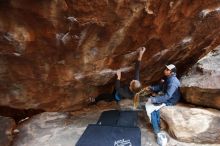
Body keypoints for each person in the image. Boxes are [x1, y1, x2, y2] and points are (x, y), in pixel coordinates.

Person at [145, 64, 181, 146]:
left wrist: (155, 99)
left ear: (171, 72)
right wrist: (151, 88)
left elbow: (168, 96)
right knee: (151, 100)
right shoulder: (169, 78)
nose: (164, 70)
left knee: (152, 109)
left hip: (171, 100)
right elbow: (161, 87)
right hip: (167, 96)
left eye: (166, 69)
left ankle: (157, 130)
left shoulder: (173, 82)